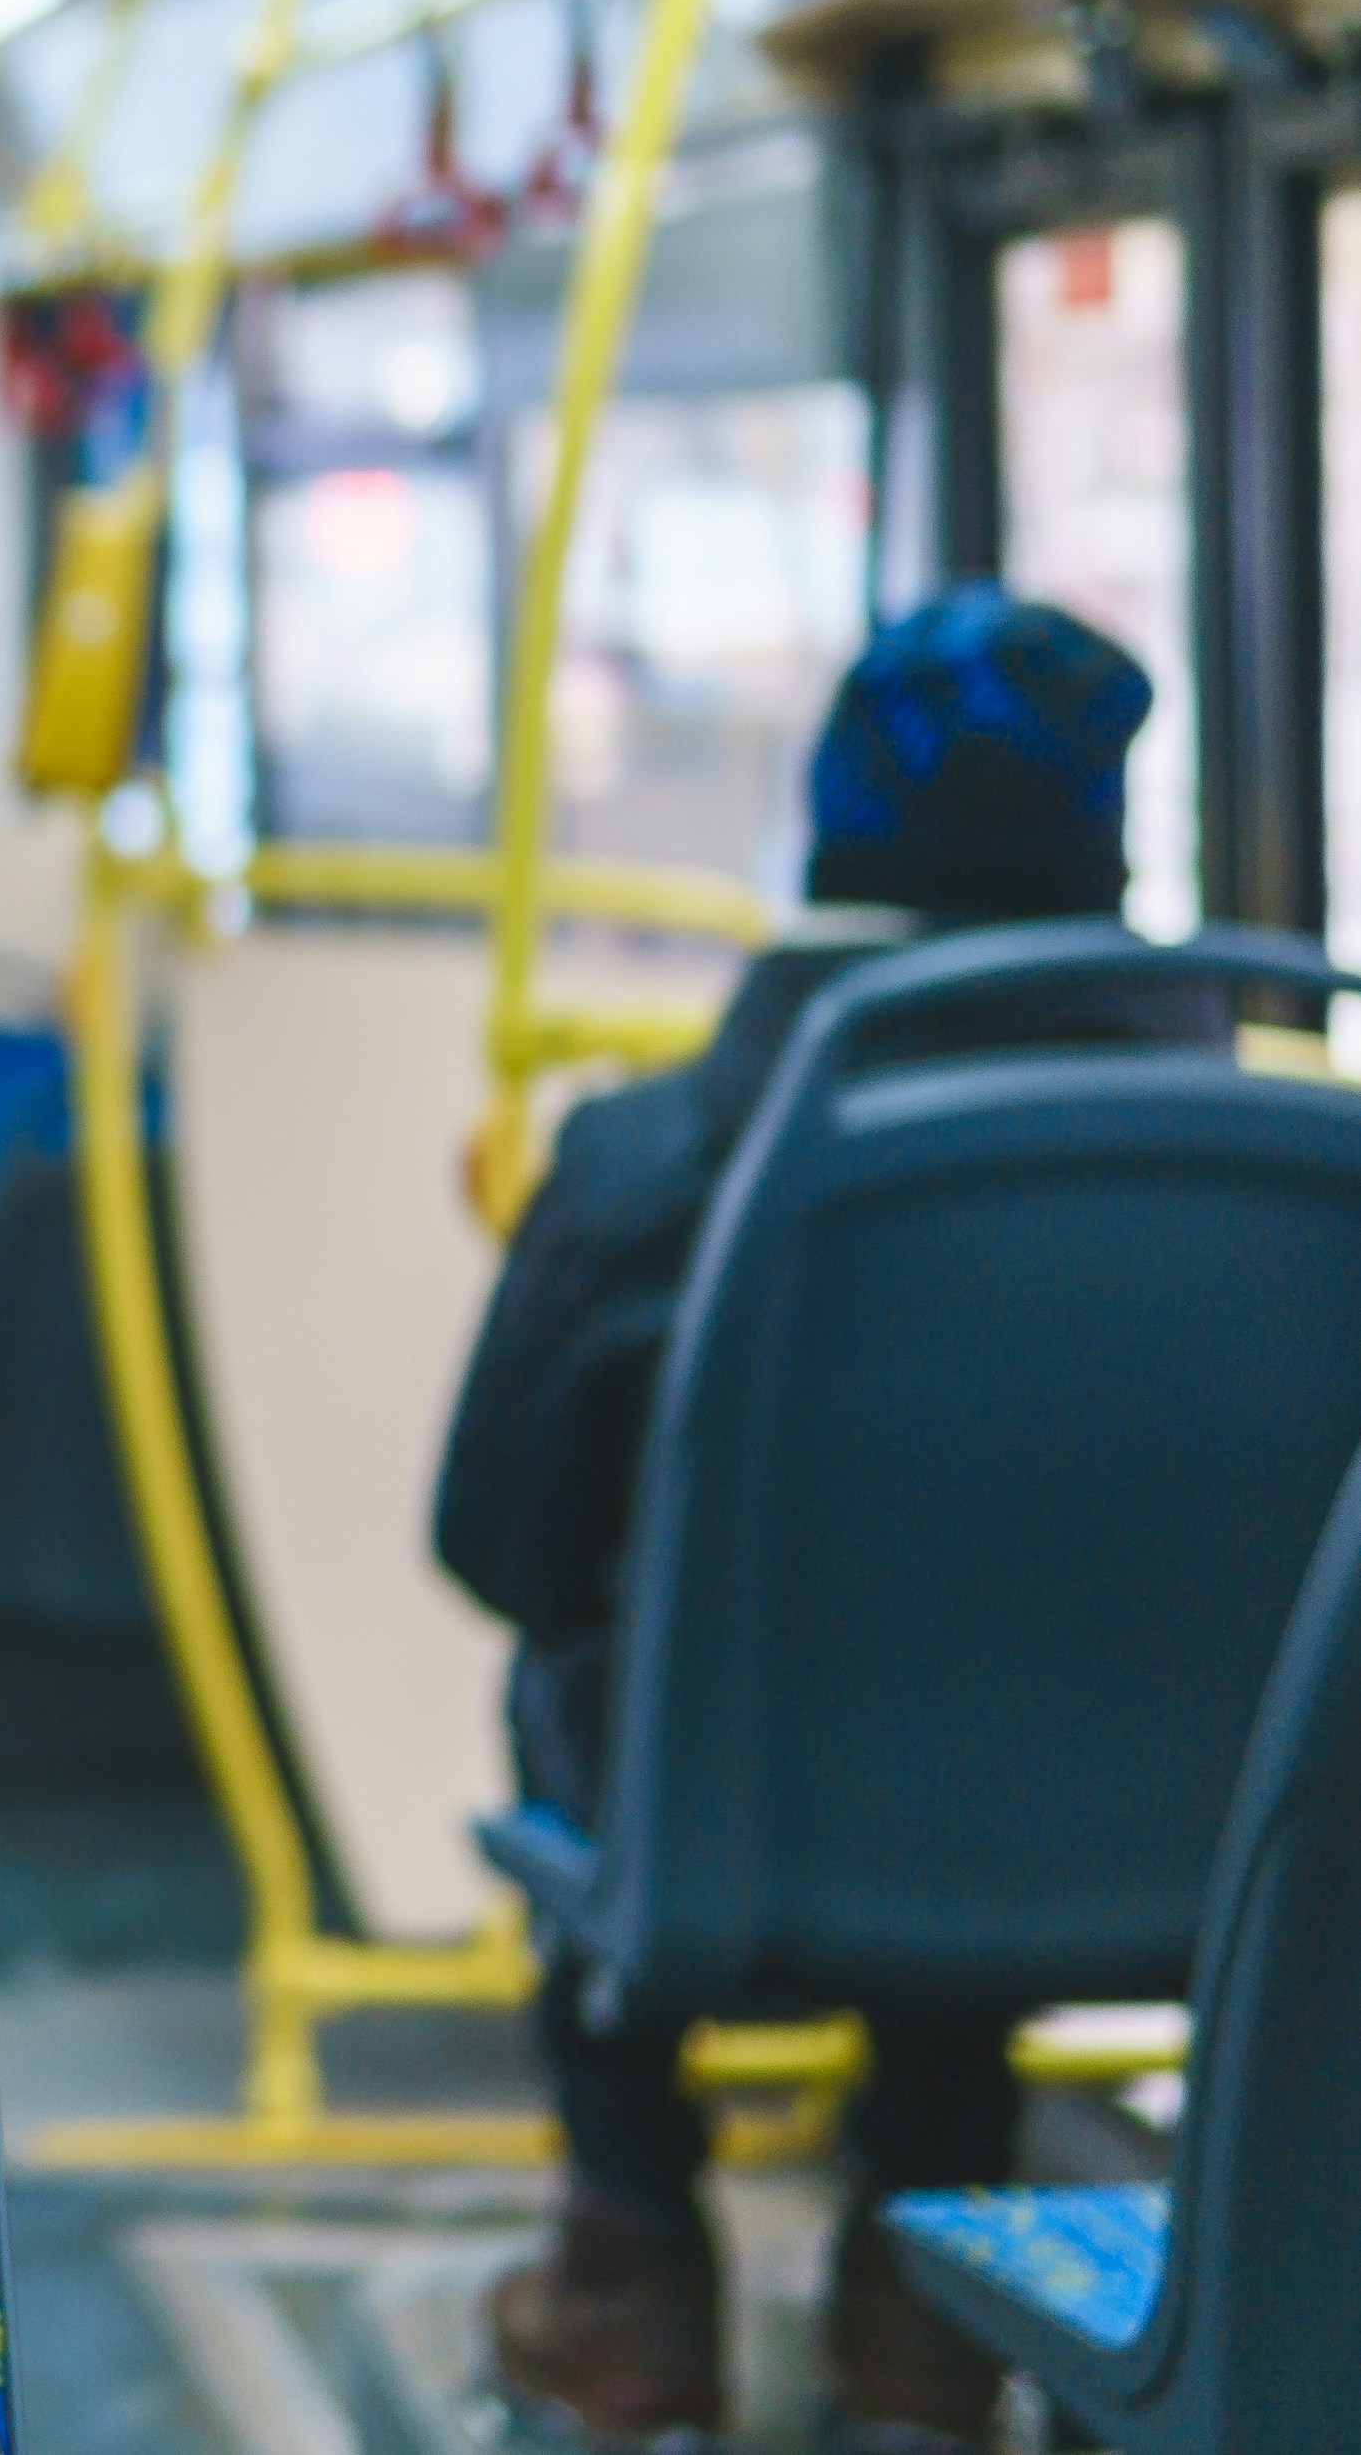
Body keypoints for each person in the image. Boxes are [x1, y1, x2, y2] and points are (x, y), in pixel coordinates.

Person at [441, 585, 1170, 2453]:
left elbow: (496, 1548)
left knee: (586, 1666)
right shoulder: (1250, 1162)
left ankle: (627, 2265)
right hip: (1138, 1825)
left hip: (726, 1829)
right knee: (993, 1667)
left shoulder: (649, 1169)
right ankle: (924, 2305)